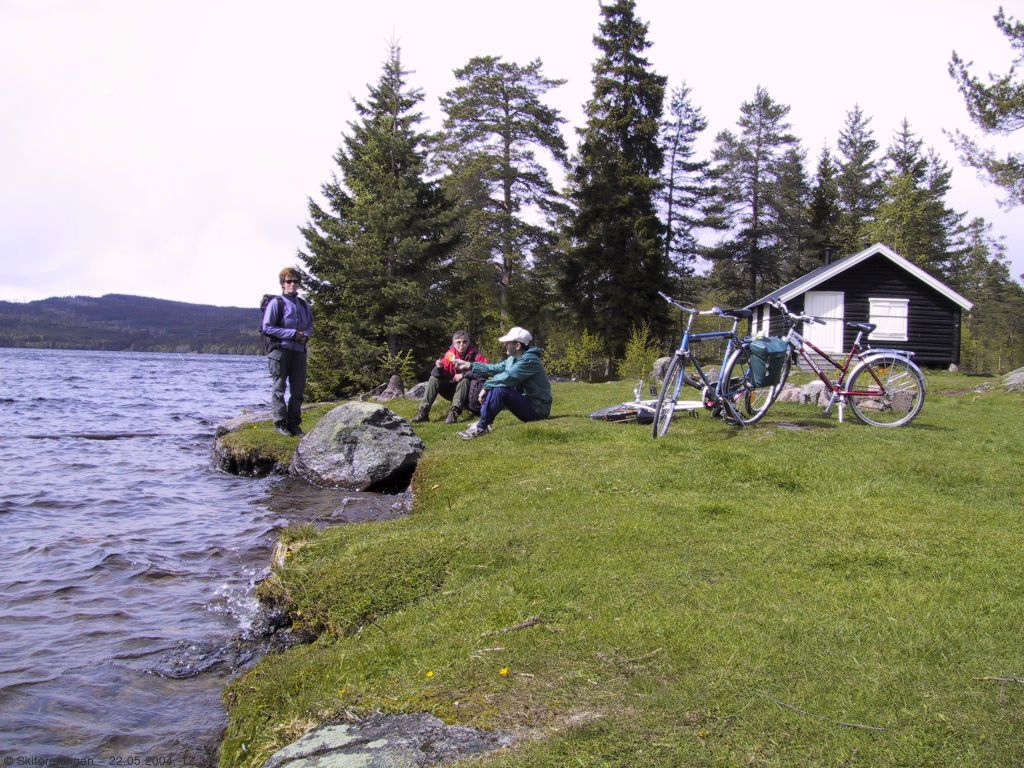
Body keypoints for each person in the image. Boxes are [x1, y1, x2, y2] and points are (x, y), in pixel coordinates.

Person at [454, 326, 552, 440]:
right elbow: (494, 368)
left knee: (500, 389)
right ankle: (483, 422)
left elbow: (508, 377)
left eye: (508, 343)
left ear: (518, 345)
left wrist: (486, 386)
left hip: (537, 410)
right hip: (526, 403)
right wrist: (469, 365)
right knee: (498, 386)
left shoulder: (529, 360)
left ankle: (481, 427)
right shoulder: (513, 358)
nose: (505, 345)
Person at [262, 267, 313, 436]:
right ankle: (280, 424)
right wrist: (292, 334)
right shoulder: (276, 303)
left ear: (299, 284)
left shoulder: (304, 305)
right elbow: (267, 327)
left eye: (295, 281)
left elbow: (310, 327)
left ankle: (294, 425)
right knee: (279, 388)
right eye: (288, 281)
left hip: (299, 352)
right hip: (280, 352)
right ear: (282, 284)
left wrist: (305, 336)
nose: (292, 284)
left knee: (298, 391)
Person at [412, 330, 488, 424]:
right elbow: (436, 375)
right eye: (458, 342)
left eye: (465, 342)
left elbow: (485, 371)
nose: (461, 345)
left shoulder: (477, 355)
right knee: (433, 379)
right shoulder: (450, 355)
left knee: (464, 380)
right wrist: (438, 368)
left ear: (469, 343)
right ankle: (423, 412)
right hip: (452, 390)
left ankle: (454, 413)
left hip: (470, 393)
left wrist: (464, 374)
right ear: (453, 343)